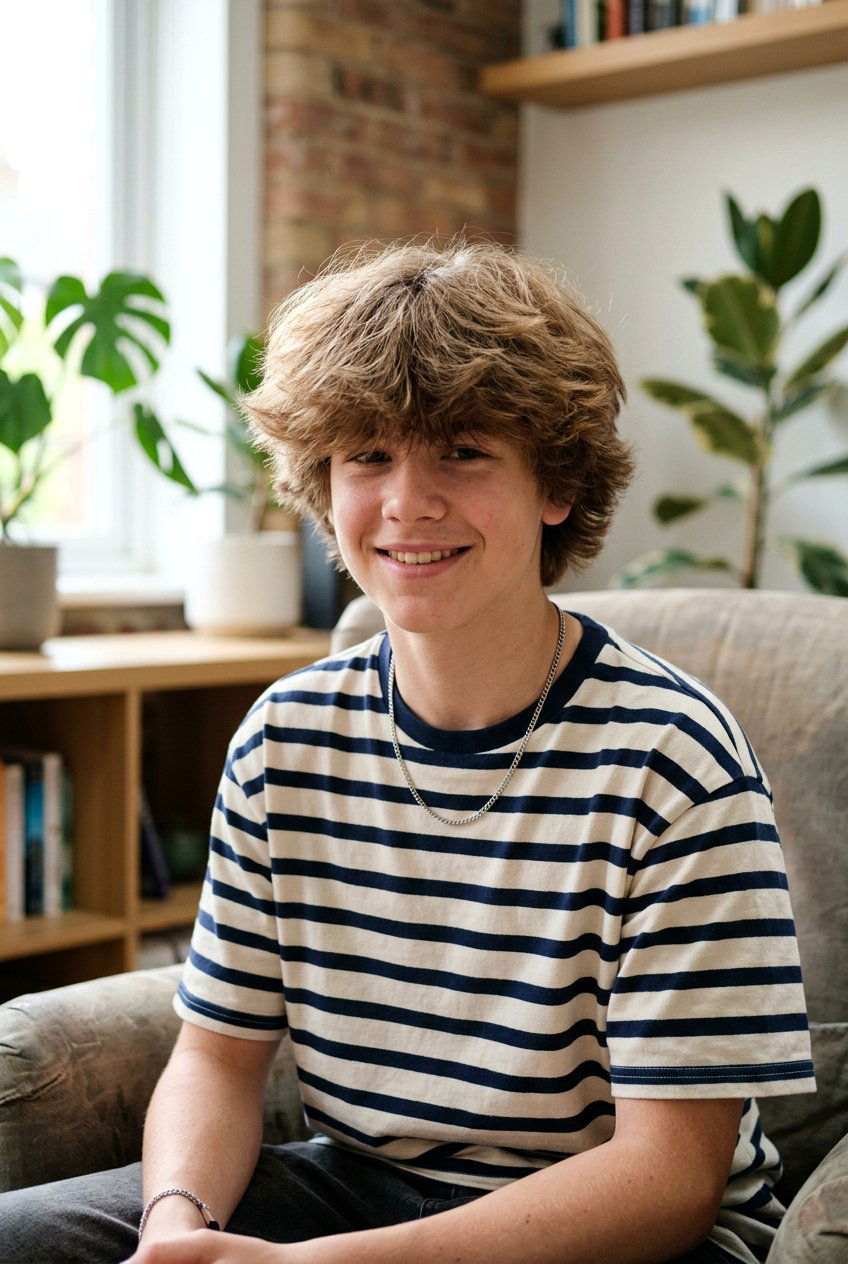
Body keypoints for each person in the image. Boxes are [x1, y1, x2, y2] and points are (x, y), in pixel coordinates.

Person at [0, 240, 814, 1264]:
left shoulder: (675, 760)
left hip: (617, 1229)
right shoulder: (282, 739)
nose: (406, 502)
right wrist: (177, 1228)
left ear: (555, 485)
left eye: (462, 451)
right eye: (368, 456)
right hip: (353, 1187)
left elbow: (668, 1179)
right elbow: (216, 1060)